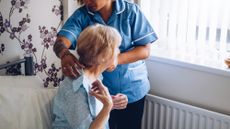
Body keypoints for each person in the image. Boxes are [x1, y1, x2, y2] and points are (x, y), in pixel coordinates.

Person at [53, 0, 158, 129]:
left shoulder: (131, 11)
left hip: (131, 89)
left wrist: (116, 59)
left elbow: (145, 50)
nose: (87, 2)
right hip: (101, 95)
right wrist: (64, 54)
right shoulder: (79, 90)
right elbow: (60, 43)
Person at [52, 24, 121, 129]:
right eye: (116, 48)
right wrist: (108, 106)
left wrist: (110, 101)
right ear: (103, 56)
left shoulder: (95, 77)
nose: (119, 51)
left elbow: (92, 112)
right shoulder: (76, 88)